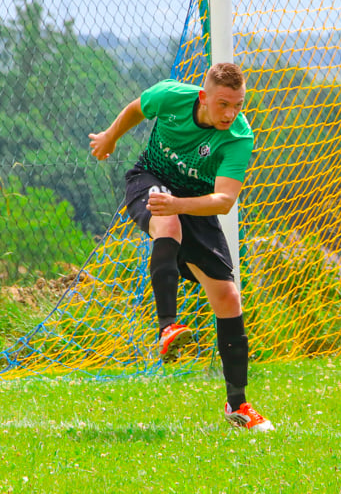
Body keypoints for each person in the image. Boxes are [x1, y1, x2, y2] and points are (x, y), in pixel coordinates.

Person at [88, 63, 273, 432]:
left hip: (195, 203)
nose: (231, 113)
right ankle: (167, 327)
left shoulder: (239, 135)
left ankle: (238, 405)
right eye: (223, 104)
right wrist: (110, 136)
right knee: (168, 222)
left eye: (238, 105)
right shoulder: (172, 96)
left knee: (228, 297)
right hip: (150, 181)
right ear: (203, 97)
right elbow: (137, 108)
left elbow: (222, 201)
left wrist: (181, 204)